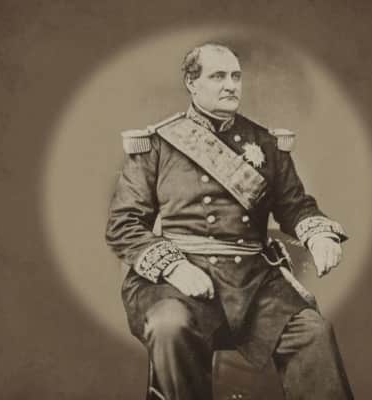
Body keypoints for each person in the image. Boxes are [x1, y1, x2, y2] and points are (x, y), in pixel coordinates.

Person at [105, 43, 354, 400]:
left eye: (236, 76)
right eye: (218, 76)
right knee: (169, 326)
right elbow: (124, 223)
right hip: (180, 280)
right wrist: (174, 267)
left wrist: (317, 235)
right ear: (192, 83)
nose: (230, 85)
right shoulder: (158, 145)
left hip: (254, 281)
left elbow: (295, 206)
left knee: (313, 333)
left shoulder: (266, 143)